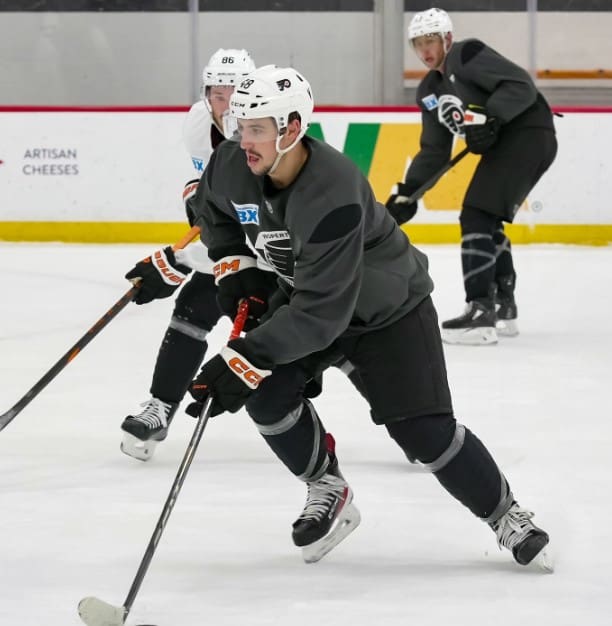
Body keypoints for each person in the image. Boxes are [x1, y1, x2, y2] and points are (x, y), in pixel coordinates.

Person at [178, 64, 551, 568]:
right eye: (241, 127)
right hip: (311, 299)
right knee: (265, 393)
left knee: (423, 434)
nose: (245, 141)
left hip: (386, 311)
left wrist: (245, 355)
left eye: (258, 129)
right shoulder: (232, 161)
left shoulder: (333, 190)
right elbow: (211, 210)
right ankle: (327, 487)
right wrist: (235, 266)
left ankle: (506, 514)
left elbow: (319, 316)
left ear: (292, 128)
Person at [119, 48, 274, 461]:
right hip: (230, 247)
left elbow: (257, 212)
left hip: (277, 252)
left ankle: (410, 419)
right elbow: (210, 196)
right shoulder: (197, 123)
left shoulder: (268, 125)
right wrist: (196, 202)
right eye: (216, 94)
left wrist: (180, 260)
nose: (224, 104)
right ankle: (160, 406)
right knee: (191, 312)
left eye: (234, 93)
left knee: (332, 341)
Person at [386, 8, 557, 345]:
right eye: (418, 44)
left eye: (430, 41)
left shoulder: (467, 54)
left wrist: (492, 117)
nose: (424, 50)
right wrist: (408, 192)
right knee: (485, 216)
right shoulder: (429, 91)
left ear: (446, 39)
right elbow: (434, 151)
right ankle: (502, 305)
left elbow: (520, 85)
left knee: (476, 214)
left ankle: (481, 310)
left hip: (529, 133)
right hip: (508, 146)